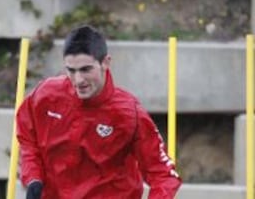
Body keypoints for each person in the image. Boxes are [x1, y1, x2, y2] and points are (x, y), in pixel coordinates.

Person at [16, 25, 182, 199]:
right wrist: (33, 177)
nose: (78, 80)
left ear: (105, 63)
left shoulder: (129, 113)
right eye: (71, 70)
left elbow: (163, 175)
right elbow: (27, 137)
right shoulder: (46, 94)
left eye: (86, 69)